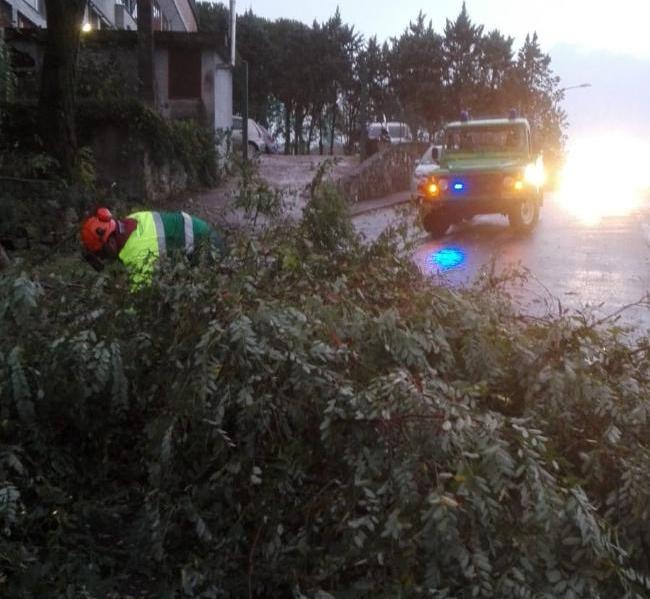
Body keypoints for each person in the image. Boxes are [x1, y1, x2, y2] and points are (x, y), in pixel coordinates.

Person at [80, 207, 226, 287]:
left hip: (206, 245)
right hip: (199, 229)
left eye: (102, 254)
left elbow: (139, 301)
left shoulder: (137, 253)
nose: (104, 258)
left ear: (110, 243)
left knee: (205, 292)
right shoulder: (131, 220)